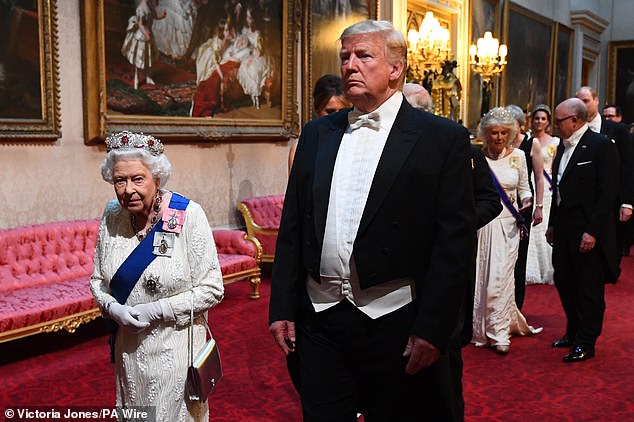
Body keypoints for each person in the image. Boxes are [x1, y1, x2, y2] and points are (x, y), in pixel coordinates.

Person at [269, 20, 475, 421]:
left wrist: (433, 329)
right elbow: (292, 227)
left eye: (363, 56)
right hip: (320, 319)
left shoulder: (441, 137)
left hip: (396, 321)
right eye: (345, 56)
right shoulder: (316, 134)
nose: (349, 65)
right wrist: (281, 307)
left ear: (396, 68)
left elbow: (454, 244)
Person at [90, 131, 225, 420]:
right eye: (119, 180)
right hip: (130, 349)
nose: (128, 190)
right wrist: (114, 309)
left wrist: (156, 310)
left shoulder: (188, 216)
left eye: (138, 179)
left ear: (157, 177)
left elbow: (213, 288)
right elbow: (98, 281)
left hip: (176, 347)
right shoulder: (112, 216)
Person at [404, 83, 501, 416]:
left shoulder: (461, 148)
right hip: (398, 276)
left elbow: (490, 200)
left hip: (447, 265)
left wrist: (455, 224)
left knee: (444, 355)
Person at [547, 98, 619, 363]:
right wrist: (553, 223)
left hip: (588, 230)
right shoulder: (562, 147)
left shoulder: (600, 146)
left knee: (588, 288)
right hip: (564, 229)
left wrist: (593, 232)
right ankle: (573, 330)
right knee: (564, 280)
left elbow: (607, 194)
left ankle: (586, 341)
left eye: (559, 121)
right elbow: (558, 189)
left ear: (575, 120)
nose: (555, 126)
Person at [471, 107, 542, 355]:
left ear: (510, 133)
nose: (498, 137)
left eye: (503, 133)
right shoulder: (477, 158)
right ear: (485, 134)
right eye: (493, 133)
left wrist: (527, 201)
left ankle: (499, 331)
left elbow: (524, 187)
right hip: (483, 225)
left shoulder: (519, 157)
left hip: (509, 226)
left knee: (500, 279)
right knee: (482, 278)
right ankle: (480, 328)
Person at [576, 87, 634, 270]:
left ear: (596, 101)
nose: (582, 105)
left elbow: (627, 166)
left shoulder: (617, 130)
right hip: (585, 198)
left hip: (613, 197)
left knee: (612, 241)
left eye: (586, 101)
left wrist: (627, 202)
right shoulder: (575, 127)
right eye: (579, 102)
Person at [506, 104, 544, 309]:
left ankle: (516, 305)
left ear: (520, 125)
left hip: (524, 205)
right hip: (502, 205)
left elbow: (539, 177)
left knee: (519, 257)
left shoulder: (532, 144)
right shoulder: (500, 143)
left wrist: (538, 206)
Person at [287, 74, 351, 172]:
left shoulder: (355, 142)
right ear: (317, 109)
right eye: (330, 111)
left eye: (343, 111)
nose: (337, 116)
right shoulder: (301, 147)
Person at [526, 104, 559, 285]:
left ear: (548, 122)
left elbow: (554, 167)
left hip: (546, 185)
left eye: (543, 119)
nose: (539, 121)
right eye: (536, 118)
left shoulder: (554, 142)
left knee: (544, 221)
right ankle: (530, 267)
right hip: (528, 181)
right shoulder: (526, 140)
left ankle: (547, 267)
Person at [120, 0, 166, 90]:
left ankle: (148, 76)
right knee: (139, 59)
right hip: (141, 36)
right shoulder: (140, 8)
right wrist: (146, 33)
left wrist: (162, 16)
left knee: (148, 57)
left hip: (148, 34)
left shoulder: (150, 5)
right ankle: (136, 78)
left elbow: (155, 16)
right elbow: (140, 24)